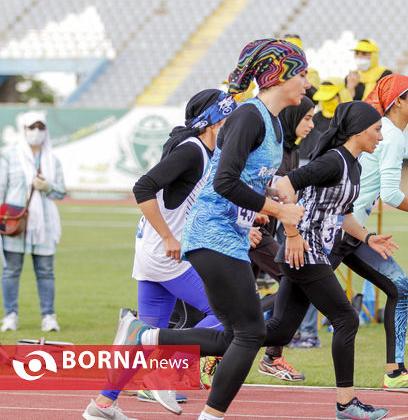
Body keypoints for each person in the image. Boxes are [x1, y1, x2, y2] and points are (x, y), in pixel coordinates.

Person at [112, 38, 308, 420]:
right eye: (301, 73)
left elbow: (245, 179)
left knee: (235, 336)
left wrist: (272, 193)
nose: (307, 82)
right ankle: (206, 411)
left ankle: (143, 339)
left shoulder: (272, 124)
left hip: (228, 233)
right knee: (250, 333)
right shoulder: (249, 116)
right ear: (278, 75)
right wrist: (277, 210)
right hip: (210, 233)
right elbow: (224, 182)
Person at [83, 90, 233, 420]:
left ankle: (103, 404)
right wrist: (167, 235)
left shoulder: (207, 152)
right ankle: (166, 371)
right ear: (212, 122)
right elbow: (143, 187)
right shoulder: (192, 151)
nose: (233, 125)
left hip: (153, 252)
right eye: (228, 119)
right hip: (164, 253)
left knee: (146, 334)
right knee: (229, 314)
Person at [269, 101, 394, 419]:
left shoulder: (353, 164)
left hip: (310, 253)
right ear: (359, 130)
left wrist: (367, 237)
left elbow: (344, 214)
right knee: (346, 319)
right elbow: (284, 185)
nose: (380, 137)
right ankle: (346, 403)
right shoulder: (334, 161)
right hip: (304, 252)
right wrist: (293, 234)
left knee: (279, 332)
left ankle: (164, 340)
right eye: (377, 130)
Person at [329, 74, 408, 394]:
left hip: (353, 231)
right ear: (397, 103)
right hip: (338, 230)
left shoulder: (384, 131)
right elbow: (390, 194)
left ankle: (395, 373)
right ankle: (227, 346)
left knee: (400, 287)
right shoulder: (391, 136)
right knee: (289, 306)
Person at [256, 96, 315, 378]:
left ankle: (269, 354)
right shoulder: (273, 148)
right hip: (250, 233)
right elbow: (243, 182)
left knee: (234, 299)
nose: (312, 125)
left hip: (263, 231)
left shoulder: (289, 149)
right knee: (295, 281)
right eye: (307, 118)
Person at [0, 111, 65, 333]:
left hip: (44, 223)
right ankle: (10, 315)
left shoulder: (52, 160)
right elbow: (1, 189)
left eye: (40, 127)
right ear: (24, 130)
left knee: (46, 271)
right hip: (14, 222)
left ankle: (48, 315)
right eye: (32, 127)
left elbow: (61, 192)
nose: (36, 132)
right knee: (10, 270)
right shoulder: (9, 156)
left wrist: (48, 187)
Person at [298, 77, 351, 161]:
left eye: (330, 98)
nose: (326, 102)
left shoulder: (350, 119)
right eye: (324, 99)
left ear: (341, 95)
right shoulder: (315, 118)